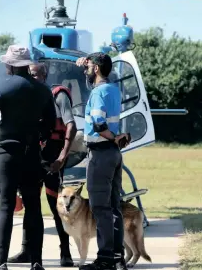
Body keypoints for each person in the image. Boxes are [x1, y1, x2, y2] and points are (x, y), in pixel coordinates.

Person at [0, 45, 57, 270]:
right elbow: (51, 124)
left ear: (9, 65)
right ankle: (37, 262)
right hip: (32, 152)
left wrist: (2, 125)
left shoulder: (1, 87)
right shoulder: (43, 90)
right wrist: (36, 132)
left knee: (5, 205)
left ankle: (1, 261)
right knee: (34, 206)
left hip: (7, 151)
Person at [8, 63, 77, 267]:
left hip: (53, 161)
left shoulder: (58, 95)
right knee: (30, 205)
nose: (31, 77)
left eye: (35, 74)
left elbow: (71, 126)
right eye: (28, 74)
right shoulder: (26, 96)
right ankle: (26, 250)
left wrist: (62, 157)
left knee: (57, 206)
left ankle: (65, 252)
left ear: (44, 76)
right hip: (32, 159)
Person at [75, 53, 130, 270]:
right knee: (114, 207)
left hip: (100, 153)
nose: (87, 70)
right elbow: (94, 88)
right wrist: (84, 64)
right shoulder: (112, 89)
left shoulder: (99, 93)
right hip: (114, 154)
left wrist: (112, 136)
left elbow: (98, 123)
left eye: (89, 67)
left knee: (100, 208)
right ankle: (117, 258)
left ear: (96, 68)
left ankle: (105, 259)